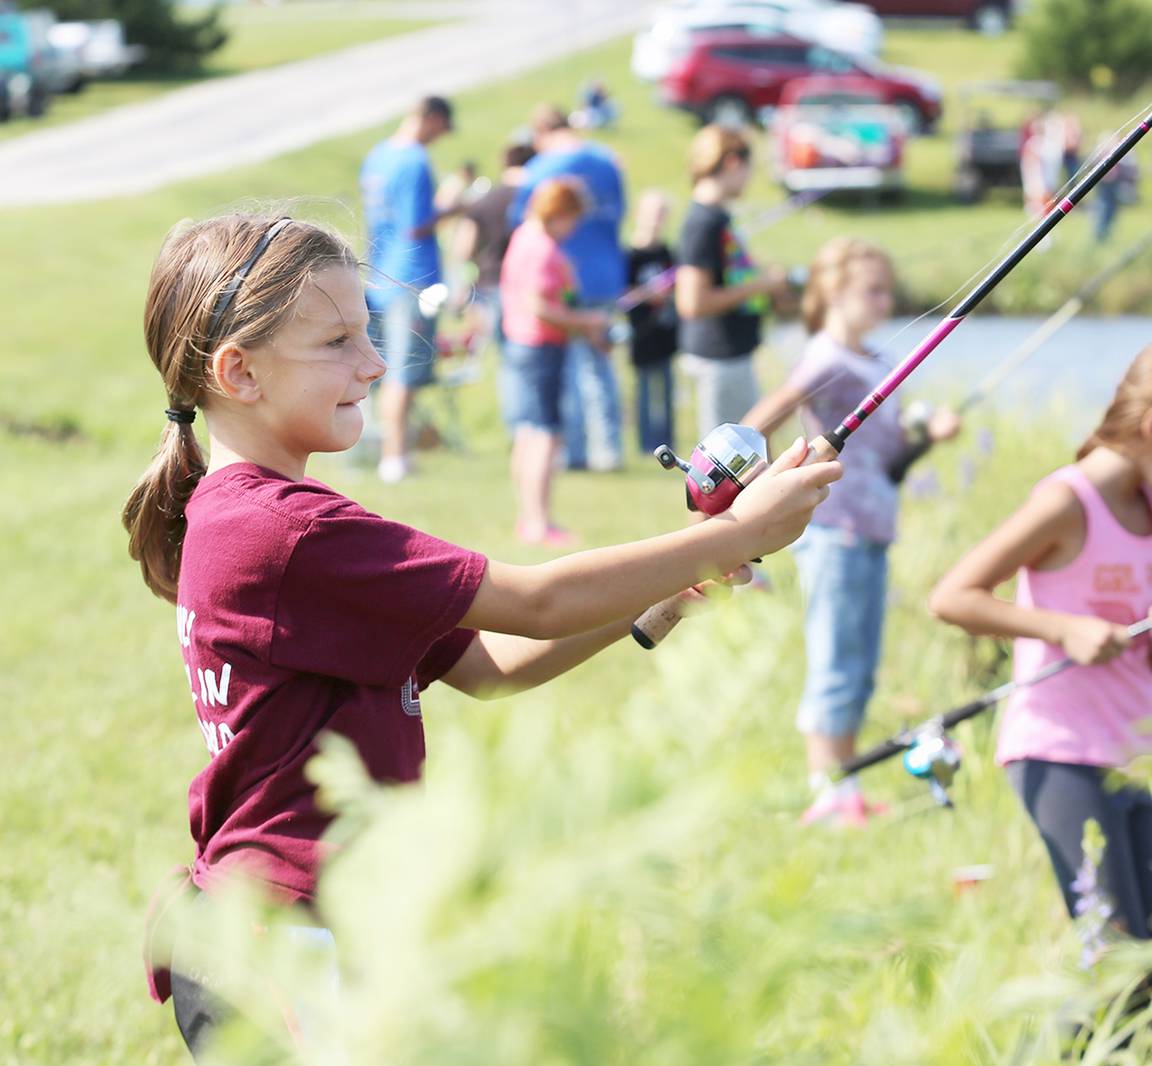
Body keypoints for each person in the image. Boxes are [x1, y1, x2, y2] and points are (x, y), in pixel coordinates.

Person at [122, 214, 841, 1059]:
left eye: (370, 332)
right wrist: (730, 535)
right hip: (286, 943)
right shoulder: (282, 534)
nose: (375, 363)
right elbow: (532, 602)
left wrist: (667, 594)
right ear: (238, 372)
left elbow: (493, 663)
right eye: (337, 342)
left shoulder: (262, 524)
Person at [928, 339, 1152, 943]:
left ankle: (1104, 1042)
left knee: (1143, 951)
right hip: (1057, 750)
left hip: (1129, 753)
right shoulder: (1066, 503)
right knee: (1112, 954)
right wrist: (1062, 629)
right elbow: (953, 597)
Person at [741, 238, 960, 826]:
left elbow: (886, 450)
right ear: (834, 291)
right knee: (835, 660)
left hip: (872, 527)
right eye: (873, 289)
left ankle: (848, 787)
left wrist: (928, 435)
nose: (885, 300)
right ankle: (825, 793)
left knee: (861, 665)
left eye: (888, 288)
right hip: (832, 529)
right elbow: (767, 414)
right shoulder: (828, 358)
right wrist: (742, 470)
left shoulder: (874, 361)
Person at [509, 104, 627, 471]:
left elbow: (520, 217)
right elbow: (619, 213)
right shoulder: (607, 161)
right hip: (605, 273)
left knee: (568, 374)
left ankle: (572, 451)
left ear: (542, 132)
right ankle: (608, 450)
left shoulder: (540, 170)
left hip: (559, 281)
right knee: (600, 369)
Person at [500, 178, 610, 547]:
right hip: (541, 349)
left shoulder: (522, 237)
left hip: (520, 345)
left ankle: (527, 518)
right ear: (559, 213)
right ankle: (539, 523)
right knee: (547, 435)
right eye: (573, 218)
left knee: (528, 432)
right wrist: (589, 322)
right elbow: (540, 307)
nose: (575, 226)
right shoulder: (543, 248)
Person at [359, 94, 460, 484]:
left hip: (379, 273)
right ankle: (395, 456)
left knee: (381, 367)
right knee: (405, 369)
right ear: (431, 118)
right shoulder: (415, 160)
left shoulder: (377, 156)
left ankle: (385, 451)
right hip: (412, 275)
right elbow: (416, 224)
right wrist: (454, 208)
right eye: (441, 129)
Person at [677, 124, 792, 440]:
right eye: (749, 167)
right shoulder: (702, 223)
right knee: (728, 463)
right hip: (719, 359)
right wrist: (762, 285)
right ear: (731, 162)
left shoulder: (717, 218)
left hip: (732, 355)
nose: (749, 178)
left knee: (748, 455)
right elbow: (692, 302)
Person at [452, 140, 535, 352]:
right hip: (530, 282)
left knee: (505, 347)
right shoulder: (536, 200)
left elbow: (463, 249)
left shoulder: (483, 201)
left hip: (492, 281)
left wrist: (463, 283)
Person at [624, 189, 679, 455]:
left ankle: (668, 441)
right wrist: (650, 293)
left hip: (666, 333)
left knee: (667, 389)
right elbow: (624, 295)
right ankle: (647, 444)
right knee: (645, 390)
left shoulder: (668, 252)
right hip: (641, 333)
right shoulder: (630, 255)